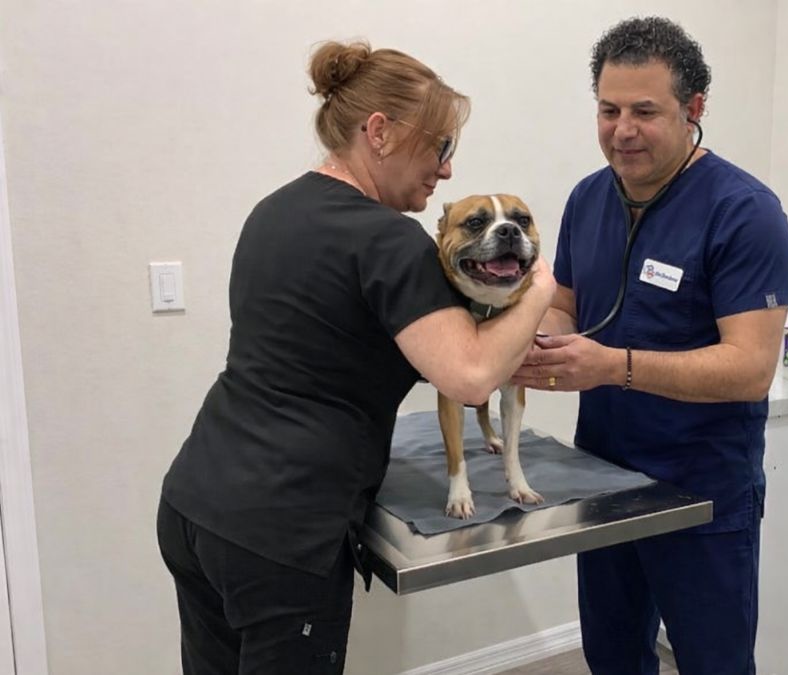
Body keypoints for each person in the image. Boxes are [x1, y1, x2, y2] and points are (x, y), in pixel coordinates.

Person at [156, 40, 555, 674]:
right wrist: (539, 287)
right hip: (282, 528)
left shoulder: (276, 209)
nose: (446, 170)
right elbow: (472, 377)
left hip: (195, 501)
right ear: (380, 132)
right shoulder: (390, 240)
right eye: (439, 147)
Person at [512, 17, 788, 675]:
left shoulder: (745, 212)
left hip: (701, 490)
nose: (622, 130)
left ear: (695, 109)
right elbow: (567, 302)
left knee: (713, 661)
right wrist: (540, 336)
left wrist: (612, 366)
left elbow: (751, 368)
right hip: (603, 480)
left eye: (645, 111)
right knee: (611, 655)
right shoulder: (589, 197)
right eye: (608, 110)